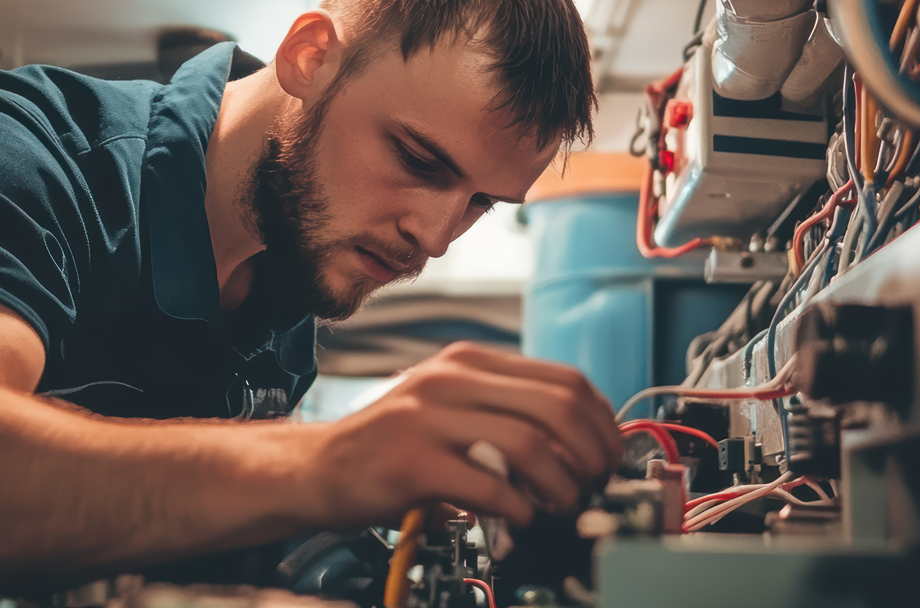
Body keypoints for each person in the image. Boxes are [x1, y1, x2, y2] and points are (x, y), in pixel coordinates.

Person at [0, 0, 621, 585]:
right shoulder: (36, 158)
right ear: (311, 57)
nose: (434, 239)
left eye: (480, 202)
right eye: (418, 160)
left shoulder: (293, 279)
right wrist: (321, 463)